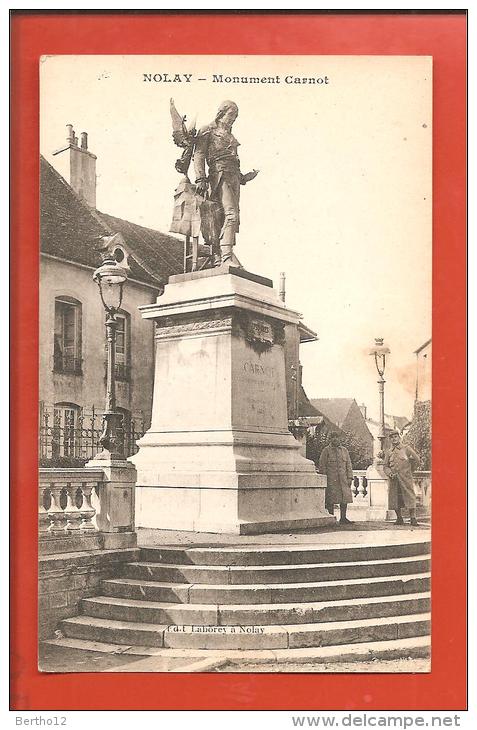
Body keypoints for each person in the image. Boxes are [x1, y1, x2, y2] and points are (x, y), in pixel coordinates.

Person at [193, 101, 258, 265]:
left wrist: (245, 177)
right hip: (219, 175)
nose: (233, 119)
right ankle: (226, 256)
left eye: (235, 116)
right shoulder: (207, 130)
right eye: (231, 115)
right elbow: (199, 155)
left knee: (225, 217)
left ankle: (221, 256)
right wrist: (200, 178)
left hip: (234, 177)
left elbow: (234, 161)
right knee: (230, 215)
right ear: (221, 113)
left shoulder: (231, 137)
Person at [383, 429, 421, 526]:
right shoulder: (388, 452)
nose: (394, 439)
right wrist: (390, 473)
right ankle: (399, 518)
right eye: (391, 437)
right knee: (395, 498)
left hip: (405, 478)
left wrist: (410, 471)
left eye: (395, 437)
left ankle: (413, 518)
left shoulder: (406, 448)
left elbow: (417, 460)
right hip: (394, 479)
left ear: (399, 437)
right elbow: (385, 466)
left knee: (410, 497)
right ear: (390, 440)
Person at [318, 432, 354, 524]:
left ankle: (343, 518)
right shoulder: (326, 451)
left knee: (344, 498)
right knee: (331, 500)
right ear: (330, 439)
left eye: (337, 437)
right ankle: (332, 518)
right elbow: (322, 466)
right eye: (333, 437)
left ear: (339, 439)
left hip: (343, 479)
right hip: (331, 480)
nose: (335, 439)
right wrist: (325, 479)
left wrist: (350, 477)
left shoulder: (344, 450)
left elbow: (349, 465)